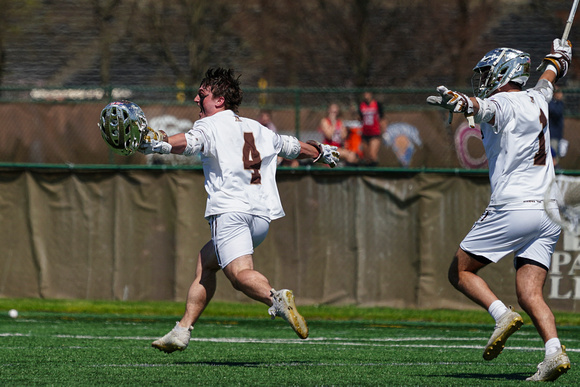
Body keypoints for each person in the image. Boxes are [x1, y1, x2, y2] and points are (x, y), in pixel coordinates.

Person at [137, 68, 339, 352]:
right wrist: (321, 153)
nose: (196, 99)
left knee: (239, 276)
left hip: (230, 214)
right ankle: (182, 330)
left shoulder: (209, 126)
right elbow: (292, 147)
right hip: (260, 217)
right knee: (206, 261)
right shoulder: (256, 127)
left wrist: (159, 142)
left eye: (203, 94)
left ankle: (276, 299)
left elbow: (188, 143)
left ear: (219, 100)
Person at [427, 39, 572, 382]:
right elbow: (549, 78)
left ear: (506, 73)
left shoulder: (501, 101)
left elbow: (481, 106)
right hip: (550, 213)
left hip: (515, 207)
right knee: (529, 292)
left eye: (489, 73)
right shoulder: (538, 97)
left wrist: (460, 101)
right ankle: (554, 352)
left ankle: (500, 315)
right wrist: (560, 58)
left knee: (459, 272)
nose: (485, 79)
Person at [358, 91, 386, 166]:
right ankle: (368, 174)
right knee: (367, 158)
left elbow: (382, 118)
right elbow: (360, 118)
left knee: (372, 155)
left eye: (367, 93)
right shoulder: (362, 105)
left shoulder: (377, 104)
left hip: (375, 133)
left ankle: (376, 171)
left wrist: (384, 130)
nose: (366, 95)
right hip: (365, 133)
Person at [548, 87, 565, 168]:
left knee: (557, 156)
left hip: (558, 134)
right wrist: (558, 100)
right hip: (552, 134)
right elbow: (556, 112)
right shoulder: (551, 103)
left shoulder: (558, 103)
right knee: (552, 157)